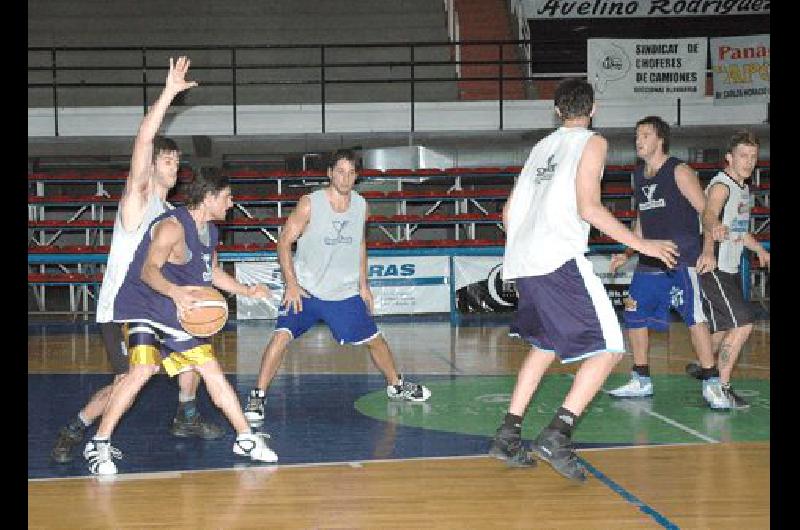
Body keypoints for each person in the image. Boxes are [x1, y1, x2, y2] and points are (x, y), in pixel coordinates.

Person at [488, 79, 678, 481]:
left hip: (522, 262)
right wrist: (641, 245)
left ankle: (508, 434)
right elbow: (589, 208)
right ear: (594, 109)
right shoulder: (593, 143)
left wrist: (529, 244)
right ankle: (558, 434)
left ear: (557, 111)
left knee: (543, 347)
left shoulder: (541, 148)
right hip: (557, 260)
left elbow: (508, 212)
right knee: (610, 349)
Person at [51, 57, 223, 465]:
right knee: (128, 379)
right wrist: (168, 95)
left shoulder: (170, 213)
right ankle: (76, 427)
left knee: (198, 338)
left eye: (178, 161)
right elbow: (144, 140)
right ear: (150, 167)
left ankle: (187, 412)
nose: (175, 165)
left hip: (154, 301)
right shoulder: (139, 199)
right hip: (122, 306)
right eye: (168, 160)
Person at [82, 168, 278, 475]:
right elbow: (148, 271)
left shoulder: (210, 231)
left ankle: (245, 438)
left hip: (175, 312)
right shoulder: (173, 226)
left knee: (210, 368)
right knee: (143, 369)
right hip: (143, 306)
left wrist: (246, 290)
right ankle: (99, 443)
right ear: (210, 197)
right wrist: (176, 293)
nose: (231, 203)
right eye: (227, 197)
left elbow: (211, 273)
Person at [243, 149, 431, 426]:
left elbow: (361, 244)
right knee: (281, 336)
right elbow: (283, 242)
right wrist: (291, 284)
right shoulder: (310, 203)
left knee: (376, 341)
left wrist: (363, 285)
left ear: (357, 176)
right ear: (330, 173)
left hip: (343, 293)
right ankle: (258, 395)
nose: (345, 177)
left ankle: (396, 385)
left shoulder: (362, 205)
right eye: (340, 171)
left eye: (351, 172)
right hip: (305, 290)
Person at [606, 116, 731, 409]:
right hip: (650, 260)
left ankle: (711, 382)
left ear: (660, 139)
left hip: (682, 259)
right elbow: (641, 220)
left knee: (693, 318)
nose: (639, 140)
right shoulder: (639, 174)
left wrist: (708, 251)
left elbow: (708, 213)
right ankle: (641, 379)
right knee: (634, 315)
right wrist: (626, 253)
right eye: (637, 135)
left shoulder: (679, 171)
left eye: (645, 135)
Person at [684, 130, 770, 409]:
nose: (748, 161)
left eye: (753, 157)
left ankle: (703, 365)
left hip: (729, 267)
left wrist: (758, 249)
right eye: (743, 156)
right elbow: (709, 216)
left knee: (723, 325)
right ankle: (721, 386)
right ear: (729, 158)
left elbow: (737, 230)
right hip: (715, 265)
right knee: (742, 323)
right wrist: (709, 251)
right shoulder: (723, 186)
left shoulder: (743, 188)